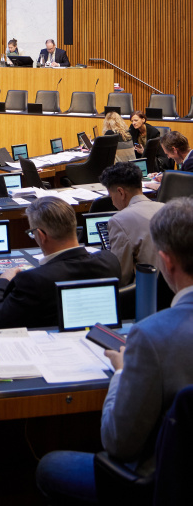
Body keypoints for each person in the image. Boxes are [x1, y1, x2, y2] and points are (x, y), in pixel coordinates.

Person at [36, 197, 193, 504]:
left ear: (166, 262)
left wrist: (122, 372)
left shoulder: (150, 336)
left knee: (50, 466)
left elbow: (119, 444)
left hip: (164, 480)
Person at [0, 197, 121, 329]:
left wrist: (2, 281)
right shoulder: (110, 260)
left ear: (41, 236)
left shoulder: (33, 280)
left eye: (32, 233)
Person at [99, 162, 163, 286]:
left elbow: (121, 276)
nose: (112, 202)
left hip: (146, 296)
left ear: (121, 193)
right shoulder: (168, 208)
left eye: (111, 196)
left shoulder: (119, 220)